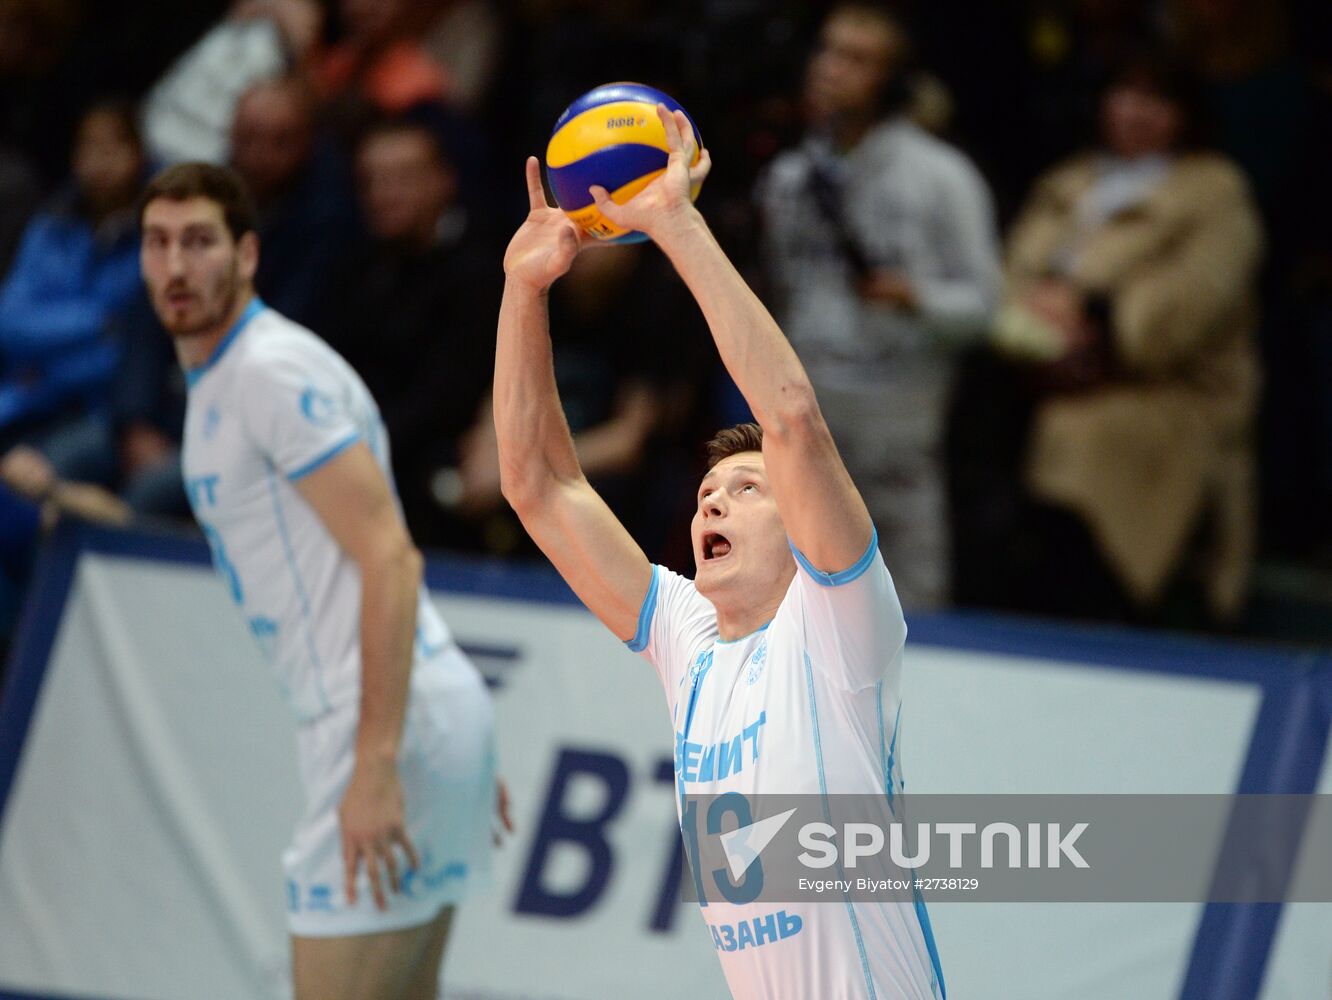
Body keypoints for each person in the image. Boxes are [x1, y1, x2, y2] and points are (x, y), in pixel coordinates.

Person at [494, 105, 944, 999]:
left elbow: (790, 418)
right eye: (708, 493)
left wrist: (675, 224)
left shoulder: (839, 626)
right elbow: (539, 488)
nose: (715, 501)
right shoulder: (691, 641)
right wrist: (523, 290)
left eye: (747, 490)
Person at [138, 161, 505, 1000]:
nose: (176, 266)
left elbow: (390, 555)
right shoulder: (233, 375)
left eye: (199, 241)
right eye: (157, 244)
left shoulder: (269, 372)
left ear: (248, 254)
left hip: (381, 733)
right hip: (420, 716)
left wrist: (379, 764)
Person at [995, 51, 1263, 625]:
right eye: (1125, 94)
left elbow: (1192, 303)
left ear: (1186, 114)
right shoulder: (1069, 180)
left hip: (1167, 391)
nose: (1136, 112)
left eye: (1157, 100)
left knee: (1077, 443)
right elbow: (1013, 271)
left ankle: (1111, 608)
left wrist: (1095, 313)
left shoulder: (1218, 192)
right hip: (1038, 370)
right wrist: (1035, 317)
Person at [757, 3, 1001, 610]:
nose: (833, 70)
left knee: (911, 603)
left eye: (858, 59)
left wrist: (917, 296)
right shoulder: (787, 178)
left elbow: (986, 306)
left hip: (899, 425)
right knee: (787, 605)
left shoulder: (943, 177)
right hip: (805, 421)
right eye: (828, 51)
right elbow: (776, 298)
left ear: (894, 81)